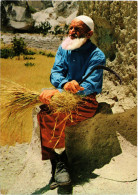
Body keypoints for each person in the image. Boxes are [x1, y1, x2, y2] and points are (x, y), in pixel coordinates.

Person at [37, 15, 106, 190]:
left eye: (78, 30)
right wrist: (63, 84)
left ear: (89, 34)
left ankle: (59, 162)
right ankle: (58, 162)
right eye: (71, 28)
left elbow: (90, 86)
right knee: (45, 111)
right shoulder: (64, 47)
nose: (72, 32)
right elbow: (55, 73)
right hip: (64, 96)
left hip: (85, 103)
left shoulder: (97, 56)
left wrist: (64, 90)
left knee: (56, 114)